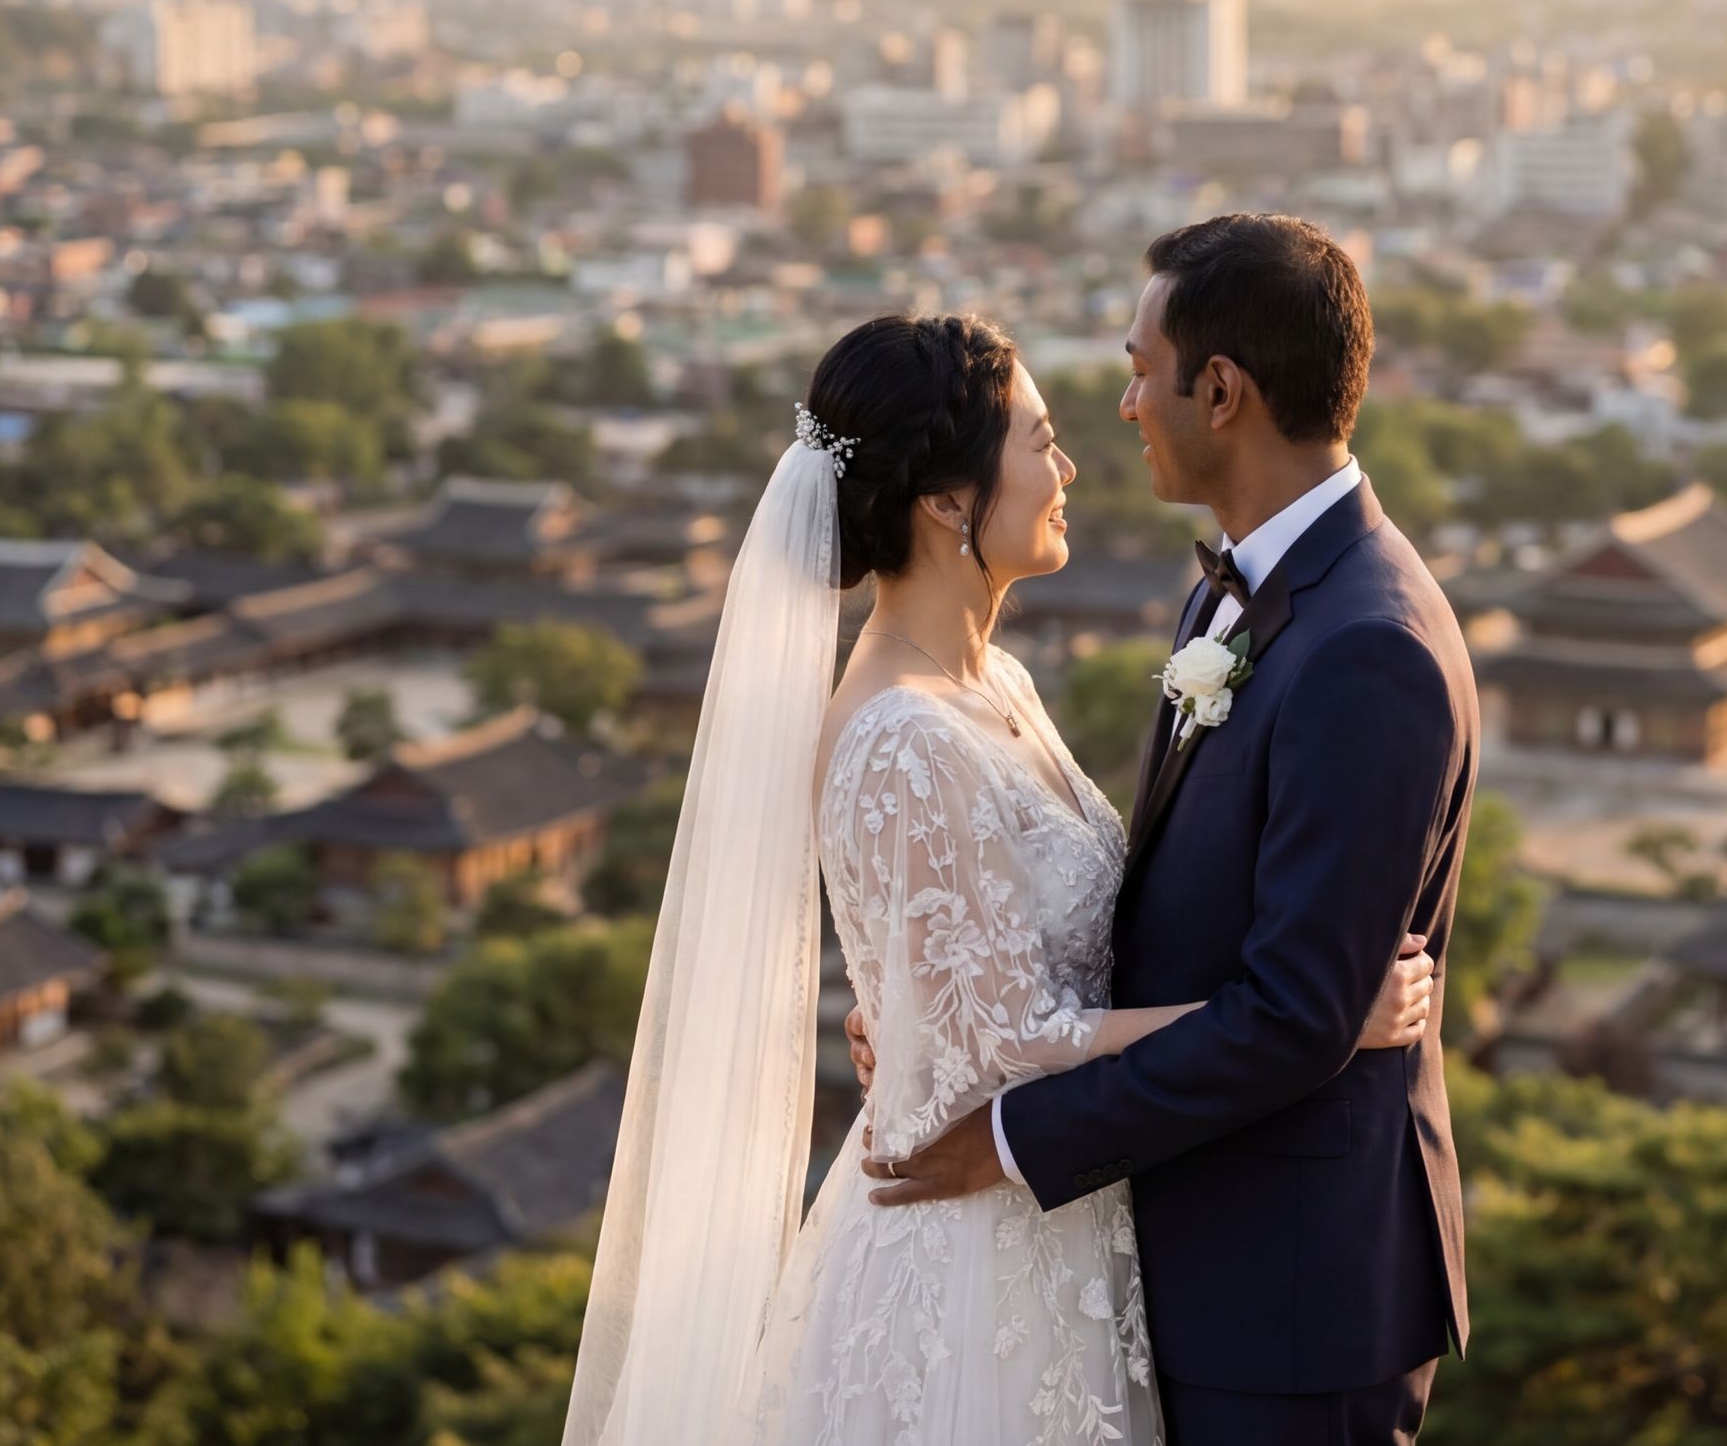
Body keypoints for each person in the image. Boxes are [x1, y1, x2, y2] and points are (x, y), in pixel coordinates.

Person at [560, 295, 1442, 1445]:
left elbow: (1005, 972)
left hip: (1060, 1217)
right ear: (943, 500)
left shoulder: (999, 686)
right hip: (966, 1253)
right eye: (1038, 441)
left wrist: (911, 1020)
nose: (1070, 464)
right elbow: (1011, 1040)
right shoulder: (902, 735)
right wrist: (1308, 1016)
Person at [859, 215, 1478, 1445]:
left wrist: (1008, 1133)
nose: (1127, 405)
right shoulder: (1230, 589)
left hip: (1293, 1297)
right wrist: (942, 1015)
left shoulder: (1369, 649)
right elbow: (1171, 917)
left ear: (1224, 389)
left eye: (1142, 369)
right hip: (1189, 1256)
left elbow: (1299, 1015)